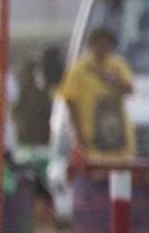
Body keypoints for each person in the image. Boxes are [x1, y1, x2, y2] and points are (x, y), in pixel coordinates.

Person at [58, 26, 136, 161]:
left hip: (118, 137)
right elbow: (70, 101)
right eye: (98, 44)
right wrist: (78, 135)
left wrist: (107, 76)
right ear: (91, 45)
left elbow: (129, 89)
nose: (102, 49)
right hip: (92, 138)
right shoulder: (79, 69)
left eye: (106, 45)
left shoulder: (117, 65)